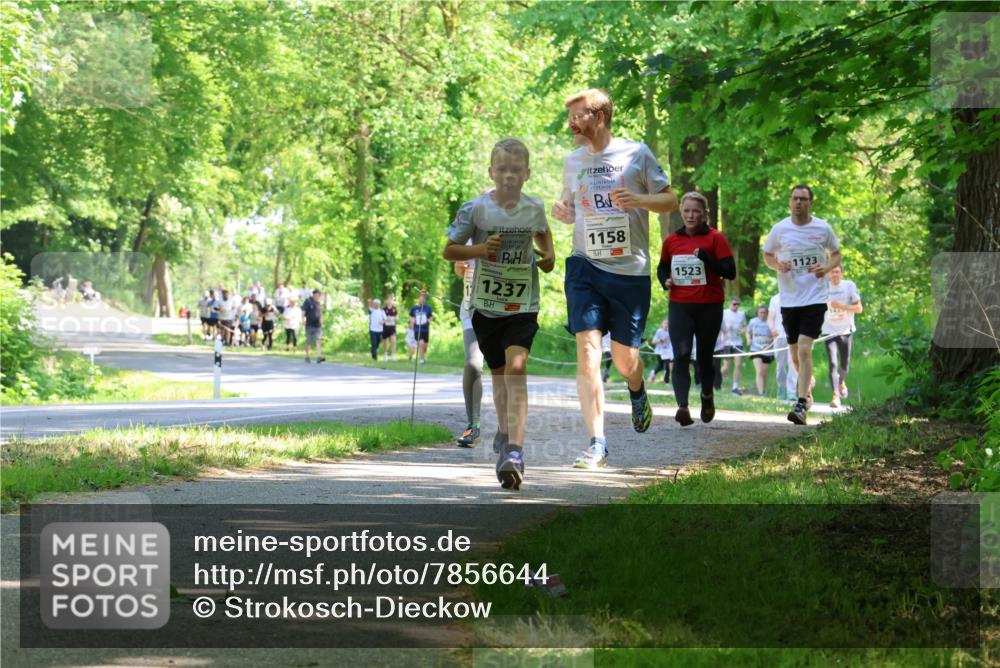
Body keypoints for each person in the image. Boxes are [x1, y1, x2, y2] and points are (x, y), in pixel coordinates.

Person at [551, 88, 677, 469]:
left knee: (625, 360)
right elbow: (571, 207)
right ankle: (597, 443)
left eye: (577, 117)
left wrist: (639, 200)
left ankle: (636, 388)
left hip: (629, 271)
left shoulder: (636, 154)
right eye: (570, 117)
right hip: (585, 267)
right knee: (589, 352)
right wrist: (564, 212)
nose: (570, 124)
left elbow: (669, 200)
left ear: (599, 117)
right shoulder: (573, 161)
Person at [444, 137, 555, 490]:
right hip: (486, 306)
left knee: (517, 368)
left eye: (516, 170)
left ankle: (515, 452)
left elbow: (544, 234)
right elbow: (449, 250)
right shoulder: (475, 209)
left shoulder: (534, 207)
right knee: (499, 375)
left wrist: (549, 255)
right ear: (491, 172)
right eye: (502, 169)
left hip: (523, 304)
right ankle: (506, 436)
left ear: (527, 174)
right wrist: (479, 249)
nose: (509, 176)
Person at [763, 184, 841, 425]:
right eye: (795, 198)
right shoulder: (780, 229)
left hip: (815, 298)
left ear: (810, 203)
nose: (798, 202)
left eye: (803, 199)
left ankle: (800, 405)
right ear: (790, 201)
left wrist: (825, 268)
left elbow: (836, 253)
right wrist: (778, 266)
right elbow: (767, 255)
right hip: (789, 299)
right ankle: (807, 386)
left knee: (805, 349)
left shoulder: (822, 228)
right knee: (795, 355)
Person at [657, 191, 736, 426]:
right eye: (687, 211)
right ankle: (682, 406)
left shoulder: (715, 238)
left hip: (709, 306)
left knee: (704, 357)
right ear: (681, 212)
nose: (691, 215)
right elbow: (662, 268)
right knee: (681, 354)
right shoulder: (672, 240)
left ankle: (707, 395)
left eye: (696, 211)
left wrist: (707, 259)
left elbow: (730, 271)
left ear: (705, 214)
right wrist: (665, 280)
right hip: (680, 305)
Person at [822, 265, 862, 409]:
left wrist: (840, 306)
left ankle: (841, 382)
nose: (835, 275)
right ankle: (835, 396)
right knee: (832, 363)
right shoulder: (823, 288)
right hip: (829, 331)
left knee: (844, 365)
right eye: (832, 272)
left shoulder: (849, 286)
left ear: (842, 273)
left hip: (846, 330)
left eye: (837, 272)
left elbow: (859, 308)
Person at [454, 260, 484, 448]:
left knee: (505, 368)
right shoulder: (467, 241)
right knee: (473, 365)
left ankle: (506, 429)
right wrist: (460, 269)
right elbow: (458, 267)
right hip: (472, 310)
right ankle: (473, 425)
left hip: (506, 310)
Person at [768, 292, 798, 401]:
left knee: (793, 363)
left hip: (794, 336)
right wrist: (772, 329)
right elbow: (770, 318)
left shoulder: (797, 296)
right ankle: (781, 386)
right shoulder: (775, 299)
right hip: (779, 336)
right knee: (780, 365)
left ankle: (791, 391)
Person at [746, 304, 775, 396]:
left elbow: (775, 334)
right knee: (759, 371)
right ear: (757, 313)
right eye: (760, 312)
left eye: (764, 313)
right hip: (756, 349)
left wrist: (772, 340)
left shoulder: (771, 322)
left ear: (767, 313)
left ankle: (763, 390)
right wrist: (748, 339)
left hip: (768, 350)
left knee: (764, 372)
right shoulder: (753, 321)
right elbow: (747, 331)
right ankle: (761, 393)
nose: (762, 314)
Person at [720, 298, 746, 395]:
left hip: (738, 342)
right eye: (734, 304)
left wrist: (744, 332)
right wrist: (727, 328)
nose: (736, 306)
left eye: (738, 304)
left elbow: (743, 326)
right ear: (730, 304)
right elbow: (719, 326)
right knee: (725, 367)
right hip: (727, 343)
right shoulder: (724, 313)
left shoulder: (741, 314)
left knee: (738, 365)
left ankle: (735, 387)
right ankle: (716, 380)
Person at [302, 289, 325, 363]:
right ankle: (307, 356)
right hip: (309, 324)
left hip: (317, 325)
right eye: (316, 295)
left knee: (318, 339)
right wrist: (303, 320)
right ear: (314, 295)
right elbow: (303, 311)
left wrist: (321, 320)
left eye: (319, 295)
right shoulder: (308, 301)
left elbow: (320, 313)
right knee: (309, 341)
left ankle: (319, 356)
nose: (317, 297)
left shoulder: (318, 303)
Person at [410, 292, 433, 364]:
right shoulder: (414, 308)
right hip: (417, 329)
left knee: (425, 346)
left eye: (422, 299)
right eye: (420, 299)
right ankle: (422, 360)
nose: (421, 300)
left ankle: (422, 354)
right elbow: (411, 316)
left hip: (425, 329)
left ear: (424, 300)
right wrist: (412, 322)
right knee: (421, 343)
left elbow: (431, 317)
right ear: (418, 299)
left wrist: (428, 321)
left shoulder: (428, 308)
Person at [648, 318, 673, 384]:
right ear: (662, 324)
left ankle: (666, 381)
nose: (666, 325)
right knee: (661, 366)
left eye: (668, 323)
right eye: (665, 323)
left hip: (667, 352)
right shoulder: (659, 331)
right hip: (659, 351)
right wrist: (661, 340)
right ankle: (653, 373)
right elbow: (653, 341)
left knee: (667, 365)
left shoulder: (670, 332)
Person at [367, 298, 386, 362]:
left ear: (379, 304)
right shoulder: (372, 310)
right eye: (375, 304)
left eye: (377, 304)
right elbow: (369, 308)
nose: (376, 305)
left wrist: (382, 321)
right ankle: (375, 357)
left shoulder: (382, 311)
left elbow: (385, 319)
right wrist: (369, 302)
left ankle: (373, 350)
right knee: (374, 342)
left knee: (377, 342)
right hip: (373, 329)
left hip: (380, 330)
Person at [382, 296, 399, 362]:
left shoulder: (394, 308)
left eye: (390, 300)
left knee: (393, 341)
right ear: (386, 301)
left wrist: (392, 318)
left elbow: (397, 317)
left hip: (392, 327)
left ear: (392, 301)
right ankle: (385, 354)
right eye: (388, 300)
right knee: (386, 342)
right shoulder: (384, 309)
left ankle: (393, 355)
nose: (389, 301)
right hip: (385, 327)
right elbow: (381, 318)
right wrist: (386, 318)